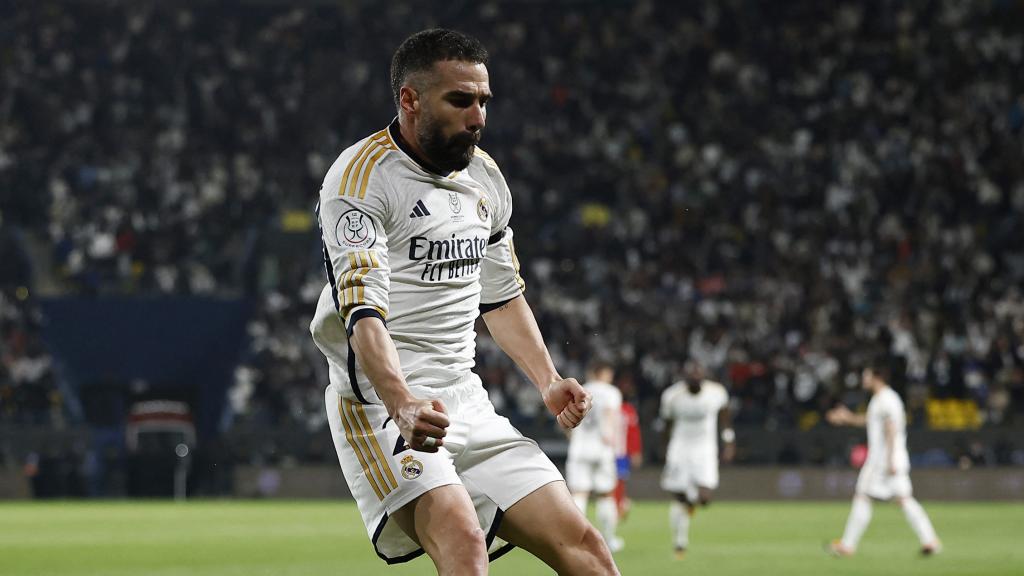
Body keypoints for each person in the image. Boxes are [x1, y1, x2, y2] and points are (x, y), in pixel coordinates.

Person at [309, 28, 619, 575]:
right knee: (464, 544)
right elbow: (363, 312)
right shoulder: (359, 181)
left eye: (483, 101)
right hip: (381, 406)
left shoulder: (485, 177)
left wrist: (547, 380)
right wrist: (401, 401)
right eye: (460, 100)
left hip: (465, 402)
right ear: (410, 99)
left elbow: (502, 298)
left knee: (587, 548)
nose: (477, 117)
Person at [826, 362, 941, 557]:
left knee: (862, 496)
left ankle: (847, 545)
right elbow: (872, 421)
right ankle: (930, 540)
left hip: (882, 460)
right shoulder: (883, 399)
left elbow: (890, 427)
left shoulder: (885, 399)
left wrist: (889, 460)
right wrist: (847, 418)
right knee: (905, 499)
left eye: (867, 376)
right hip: (894, 457)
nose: (864, 380)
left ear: (877, 378)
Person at [659, 361, 735, 559]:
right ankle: (680, 542)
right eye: (691, 378)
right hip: (680, 447)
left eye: (698, 377)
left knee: (704, 498)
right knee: (678, 496)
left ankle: (692, 502)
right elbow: (667, 425)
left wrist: (729, 443)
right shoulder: (672, 396)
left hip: (705, 449)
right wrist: (664, 449)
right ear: (684, 379)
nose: (695, 381)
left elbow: (725, 417)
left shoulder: (716, 392)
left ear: (704, 377)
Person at [566, 360, 623, 552]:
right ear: (605, 373)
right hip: (602, 447)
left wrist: (573, 438)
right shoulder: (611, 392)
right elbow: (610, 416)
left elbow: (567, 420)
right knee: (605, 494)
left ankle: (575, 539)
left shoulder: (579, 390)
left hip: (580, 447)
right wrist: (611, 440)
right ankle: (609, 540)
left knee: (579, 493)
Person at [613, 377, 642, 521]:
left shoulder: (629, 410)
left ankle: (619, 505)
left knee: (620, 480)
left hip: (621, 452)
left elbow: (634, 433)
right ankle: (618, 505)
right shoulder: (612, 408)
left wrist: (635, 451)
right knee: (611, 481)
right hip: (609, 451)